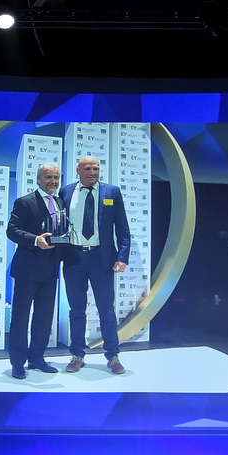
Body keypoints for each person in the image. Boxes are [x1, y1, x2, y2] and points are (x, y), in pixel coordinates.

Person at [61, 155, 131, 375]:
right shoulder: (65, 192)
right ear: (78, 170)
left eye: (95, 169)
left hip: (102, 259)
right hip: (74, 258)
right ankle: (77, 355)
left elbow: (123, 229)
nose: (92, 172)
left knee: (106, 310)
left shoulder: (112, 192)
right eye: (87, 169)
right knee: (76, 310)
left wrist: (122, 257)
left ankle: (113, 356)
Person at [5, 163, 67, 380]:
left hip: (51, 269)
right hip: (27, 269)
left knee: (44, 317)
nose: (53, 181)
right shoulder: (24, 202)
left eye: (56, 177)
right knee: (20, 318)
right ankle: (18, 363)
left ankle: (37, 358)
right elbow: (12, 230)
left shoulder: (60, 202)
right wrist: (35, 240)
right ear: (39, 179)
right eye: (48, 177)